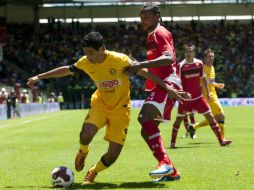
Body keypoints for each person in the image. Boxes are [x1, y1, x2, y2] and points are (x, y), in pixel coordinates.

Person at [27, 31, 185, 185]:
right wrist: (39, 77)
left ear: (102, 48)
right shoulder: (85, 62)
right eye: (86, 53)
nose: (88, 57)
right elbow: (66, 70)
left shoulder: (120, 60)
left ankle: (93, 171)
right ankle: (83, 151)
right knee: (86, 134)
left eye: (91, 53)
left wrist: (168, 88)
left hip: (121, 110)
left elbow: (146, 73)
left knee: (112, 155)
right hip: (100, 104)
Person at [125, 2, 190, 182]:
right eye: (141, 18)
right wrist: (137, 66)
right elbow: (151, 69)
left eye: (145, 17)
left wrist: (142, 64)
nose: (142, 21)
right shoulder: (151, 36)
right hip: (162, 85)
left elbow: (169, 59)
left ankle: (164, 163)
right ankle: (172, 171)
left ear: (157, 16)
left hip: (169, 82)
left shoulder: (160, 33)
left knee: (144, 118)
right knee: (146, 130)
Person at [170, 43, 232, 148]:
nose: (188, 54)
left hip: (199, 98)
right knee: (178, 120)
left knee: (211, 118)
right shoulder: (180, 66)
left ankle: (221, 141)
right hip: (186, 99)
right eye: (187, 51)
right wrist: (182, 93)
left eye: (191, 51)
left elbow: (203, 78)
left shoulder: (199, 63)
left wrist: (207, 93)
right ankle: (172, 143)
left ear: (194, 52)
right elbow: (177, 82)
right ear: (184, 53)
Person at [191, 49, 227, 139]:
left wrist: (217, 85)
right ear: (205, 58)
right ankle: (222, 139)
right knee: (221, 116)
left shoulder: (212, 67)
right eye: (209, 56)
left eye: (212, 56)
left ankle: (193, 127)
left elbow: (210, 82)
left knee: (214, 118)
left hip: (212, 94)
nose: (211, 58)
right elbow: (202, 82)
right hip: (209, 95)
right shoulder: (203, 68)